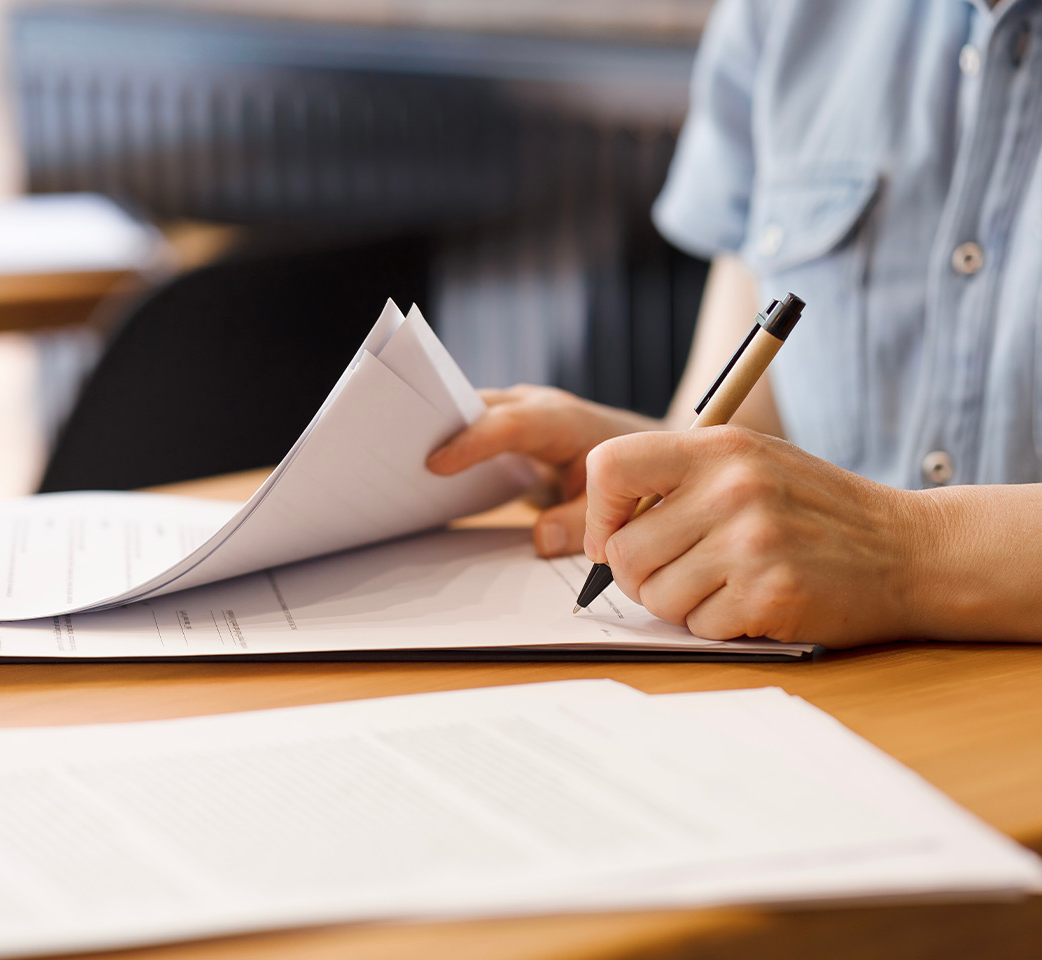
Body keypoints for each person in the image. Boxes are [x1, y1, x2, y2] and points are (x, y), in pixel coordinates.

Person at [428, 0, 1042, 649]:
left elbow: (867, 540)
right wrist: (664, 466)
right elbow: (746, 417)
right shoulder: (778, 14)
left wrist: (899, 553)